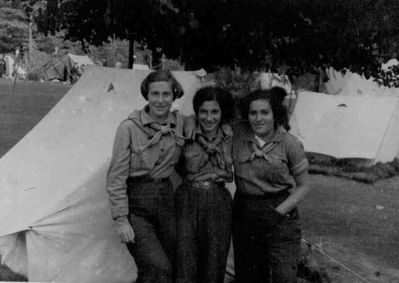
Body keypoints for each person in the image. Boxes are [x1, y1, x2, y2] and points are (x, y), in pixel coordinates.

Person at [106, 70, 194, 283]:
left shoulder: (181, 123)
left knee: (166, 269)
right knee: (158, 268)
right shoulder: (128, 128)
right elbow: (115, 178)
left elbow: (210, 120)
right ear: (146, 95)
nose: (161, 100)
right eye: (155, 94)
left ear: (174, 96)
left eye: (166, 94)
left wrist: (191, 122)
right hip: (137, 207)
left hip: (166, 202)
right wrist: (121, 220)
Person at [232, 87, 311, 283]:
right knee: (249, 277)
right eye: (253, 113)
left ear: (275, 114)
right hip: (246, 212)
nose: (258, 118)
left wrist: (277, 212)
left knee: (283, 276)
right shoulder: (238, 135)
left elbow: (304, 186)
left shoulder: (289, 143)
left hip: (280, 216)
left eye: (265, 112)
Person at [175, 86, 234, 283]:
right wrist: (189, 120)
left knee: (214, 261)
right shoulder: (185, 128)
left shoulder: (232, 134)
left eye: (215, 112)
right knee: (185, 259)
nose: (209, 118)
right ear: (196, 112)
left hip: (218, 200)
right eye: (203, 112)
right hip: (188, 199)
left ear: (222, 112)